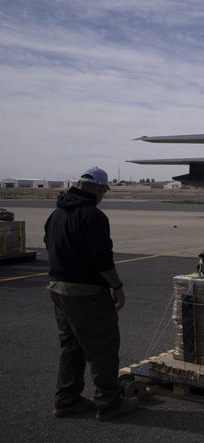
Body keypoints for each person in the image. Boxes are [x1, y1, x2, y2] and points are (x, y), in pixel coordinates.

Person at [44, 167, 139, 421]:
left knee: (71, 347)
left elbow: (49, 245)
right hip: (85, 293)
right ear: (99, 189)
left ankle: (67, 400)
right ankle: (110, 404)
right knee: (103, 348)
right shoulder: (92, 216)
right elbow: (101, 260)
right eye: (103, 191)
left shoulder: (57, 213)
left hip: (57, 288)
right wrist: (116, 287)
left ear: (78, 184)